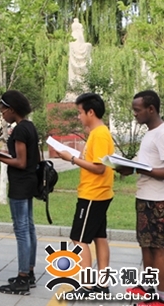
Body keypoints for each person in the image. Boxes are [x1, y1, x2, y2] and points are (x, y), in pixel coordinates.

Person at [0, 91, 39, 295]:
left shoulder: (20, 129)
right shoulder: (29, 126)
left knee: (22, 230)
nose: (2, 114)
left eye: (3, 110)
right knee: (29, 228)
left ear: (12, 109)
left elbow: (20, 162)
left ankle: (22, 279)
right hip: (30, 182)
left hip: (20, 185)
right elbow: (25, 157)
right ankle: (29, 273)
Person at [56, 92, 114, 295]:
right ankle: (103, 284)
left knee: (79, 239)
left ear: (91, 112)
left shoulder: (99, 134)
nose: (78, 116)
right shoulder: (98, 132)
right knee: (99, 236)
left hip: (92, 194)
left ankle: (87, 285)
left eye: (80, 112)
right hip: (100, 193)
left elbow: (99, 168)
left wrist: (71, 159)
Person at [116, 90, 164, 305]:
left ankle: (161, 296)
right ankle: (147, 287)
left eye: (137, 110)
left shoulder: (162, 133)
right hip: (144, 197)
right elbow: (145, 165)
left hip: (158, 200)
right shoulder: (149, 134)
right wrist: (127, 168)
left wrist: (140, 169)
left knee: (158, 248)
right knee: (145, 244)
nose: (134, 114)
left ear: (151, 109)